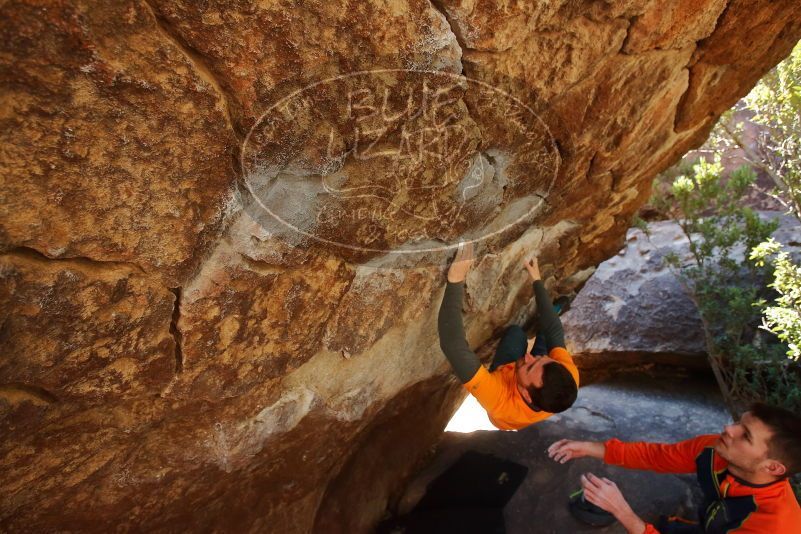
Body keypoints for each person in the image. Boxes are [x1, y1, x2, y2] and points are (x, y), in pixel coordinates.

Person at [547, 403, 801, 533]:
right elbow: (659, 456)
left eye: (745, 436)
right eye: (738, 422)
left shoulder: (776, 525)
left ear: (773, 467)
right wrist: (593, 448)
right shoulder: (715, 449)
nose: (728, 429)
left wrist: (622, 511)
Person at [437, 241, 579, 430]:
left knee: (515, 335)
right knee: (547, 332)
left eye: (530, 367)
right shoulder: (567, 377)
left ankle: (543, 326)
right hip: (529, 380)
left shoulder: (500, 400)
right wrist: (537, 280)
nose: (528, 356)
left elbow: (453, 346)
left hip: (506, 394)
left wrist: (455, 280)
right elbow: (554, 328)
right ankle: (554, 311)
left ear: (527, 395)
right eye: (542, 359)